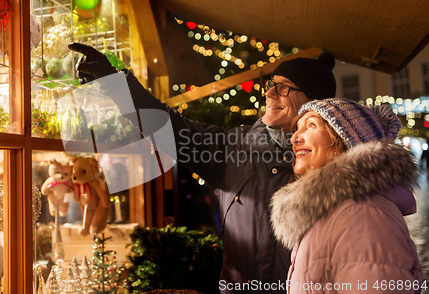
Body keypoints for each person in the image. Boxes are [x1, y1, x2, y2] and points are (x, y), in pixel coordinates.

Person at [68, 42, 337, 293]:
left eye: (284, 87)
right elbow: (168, 128)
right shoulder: (234, 148)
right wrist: (116, 87)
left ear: (313, 103)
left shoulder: (338, 167)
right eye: (271, 84)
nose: (268, 93)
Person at [271, 98, 424, 293]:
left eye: (310, 126)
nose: (294, 139)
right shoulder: (330, 211)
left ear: (344, 139)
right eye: (296, 130)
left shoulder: (362, 214)